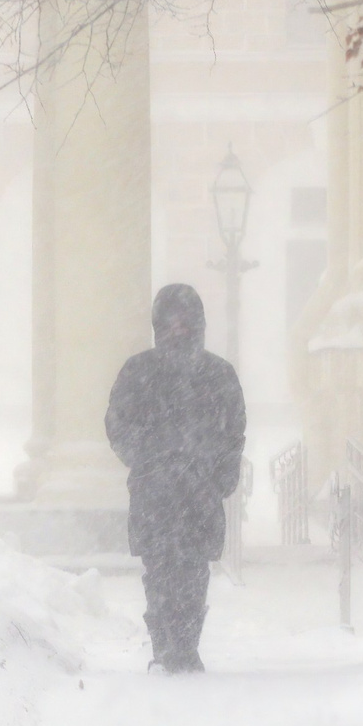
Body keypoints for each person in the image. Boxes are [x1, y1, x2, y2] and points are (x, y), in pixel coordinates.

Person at [104, 284, 246, 673]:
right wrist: (150, 461)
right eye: (171, 323)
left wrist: (219, 476)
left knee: (194, 571)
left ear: (198, 324)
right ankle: (166, 645)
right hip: (156, 494)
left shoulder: (218, 374)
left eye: (186, 323)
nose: (179, 330)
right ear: (158, 326)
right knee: (160, 570)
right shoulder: (139, 371)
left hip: (198, 493)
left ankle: (186, 645)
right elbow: (118, 426)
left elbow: (234, 431)